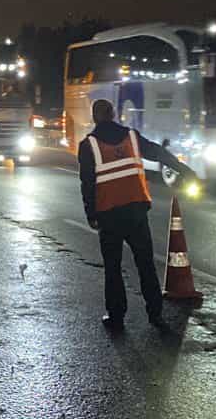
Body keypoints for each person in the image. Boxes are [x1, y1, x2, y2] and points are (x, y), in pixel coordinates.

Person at [78, 99, 198, 330]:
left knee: (113, 268)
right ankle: (155, 314)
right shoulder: (132, 137)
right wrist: (185, 170)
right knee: (145, 264)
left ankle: (116, 317)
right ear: (113, 114)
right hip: (135, 211)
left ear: (94, 117)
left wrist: (90, 214)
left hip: (108, 214)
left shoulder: (88, 145)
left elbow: (88, 184)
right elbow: (158, 153)